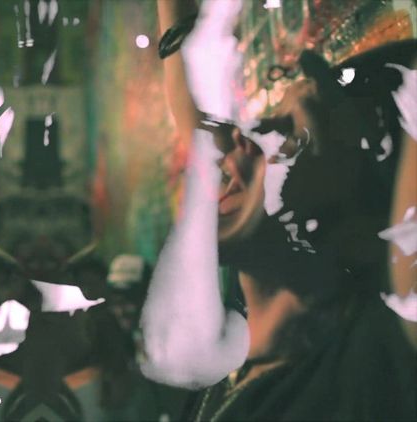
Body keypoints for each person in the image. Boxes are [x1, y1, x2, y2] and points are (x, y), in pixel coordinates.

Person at [140, 0, 417, 420]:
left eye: (288, 135)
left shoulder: (375, 357)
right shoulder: (235, 363)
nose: (245, 135)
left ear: (360, 231)